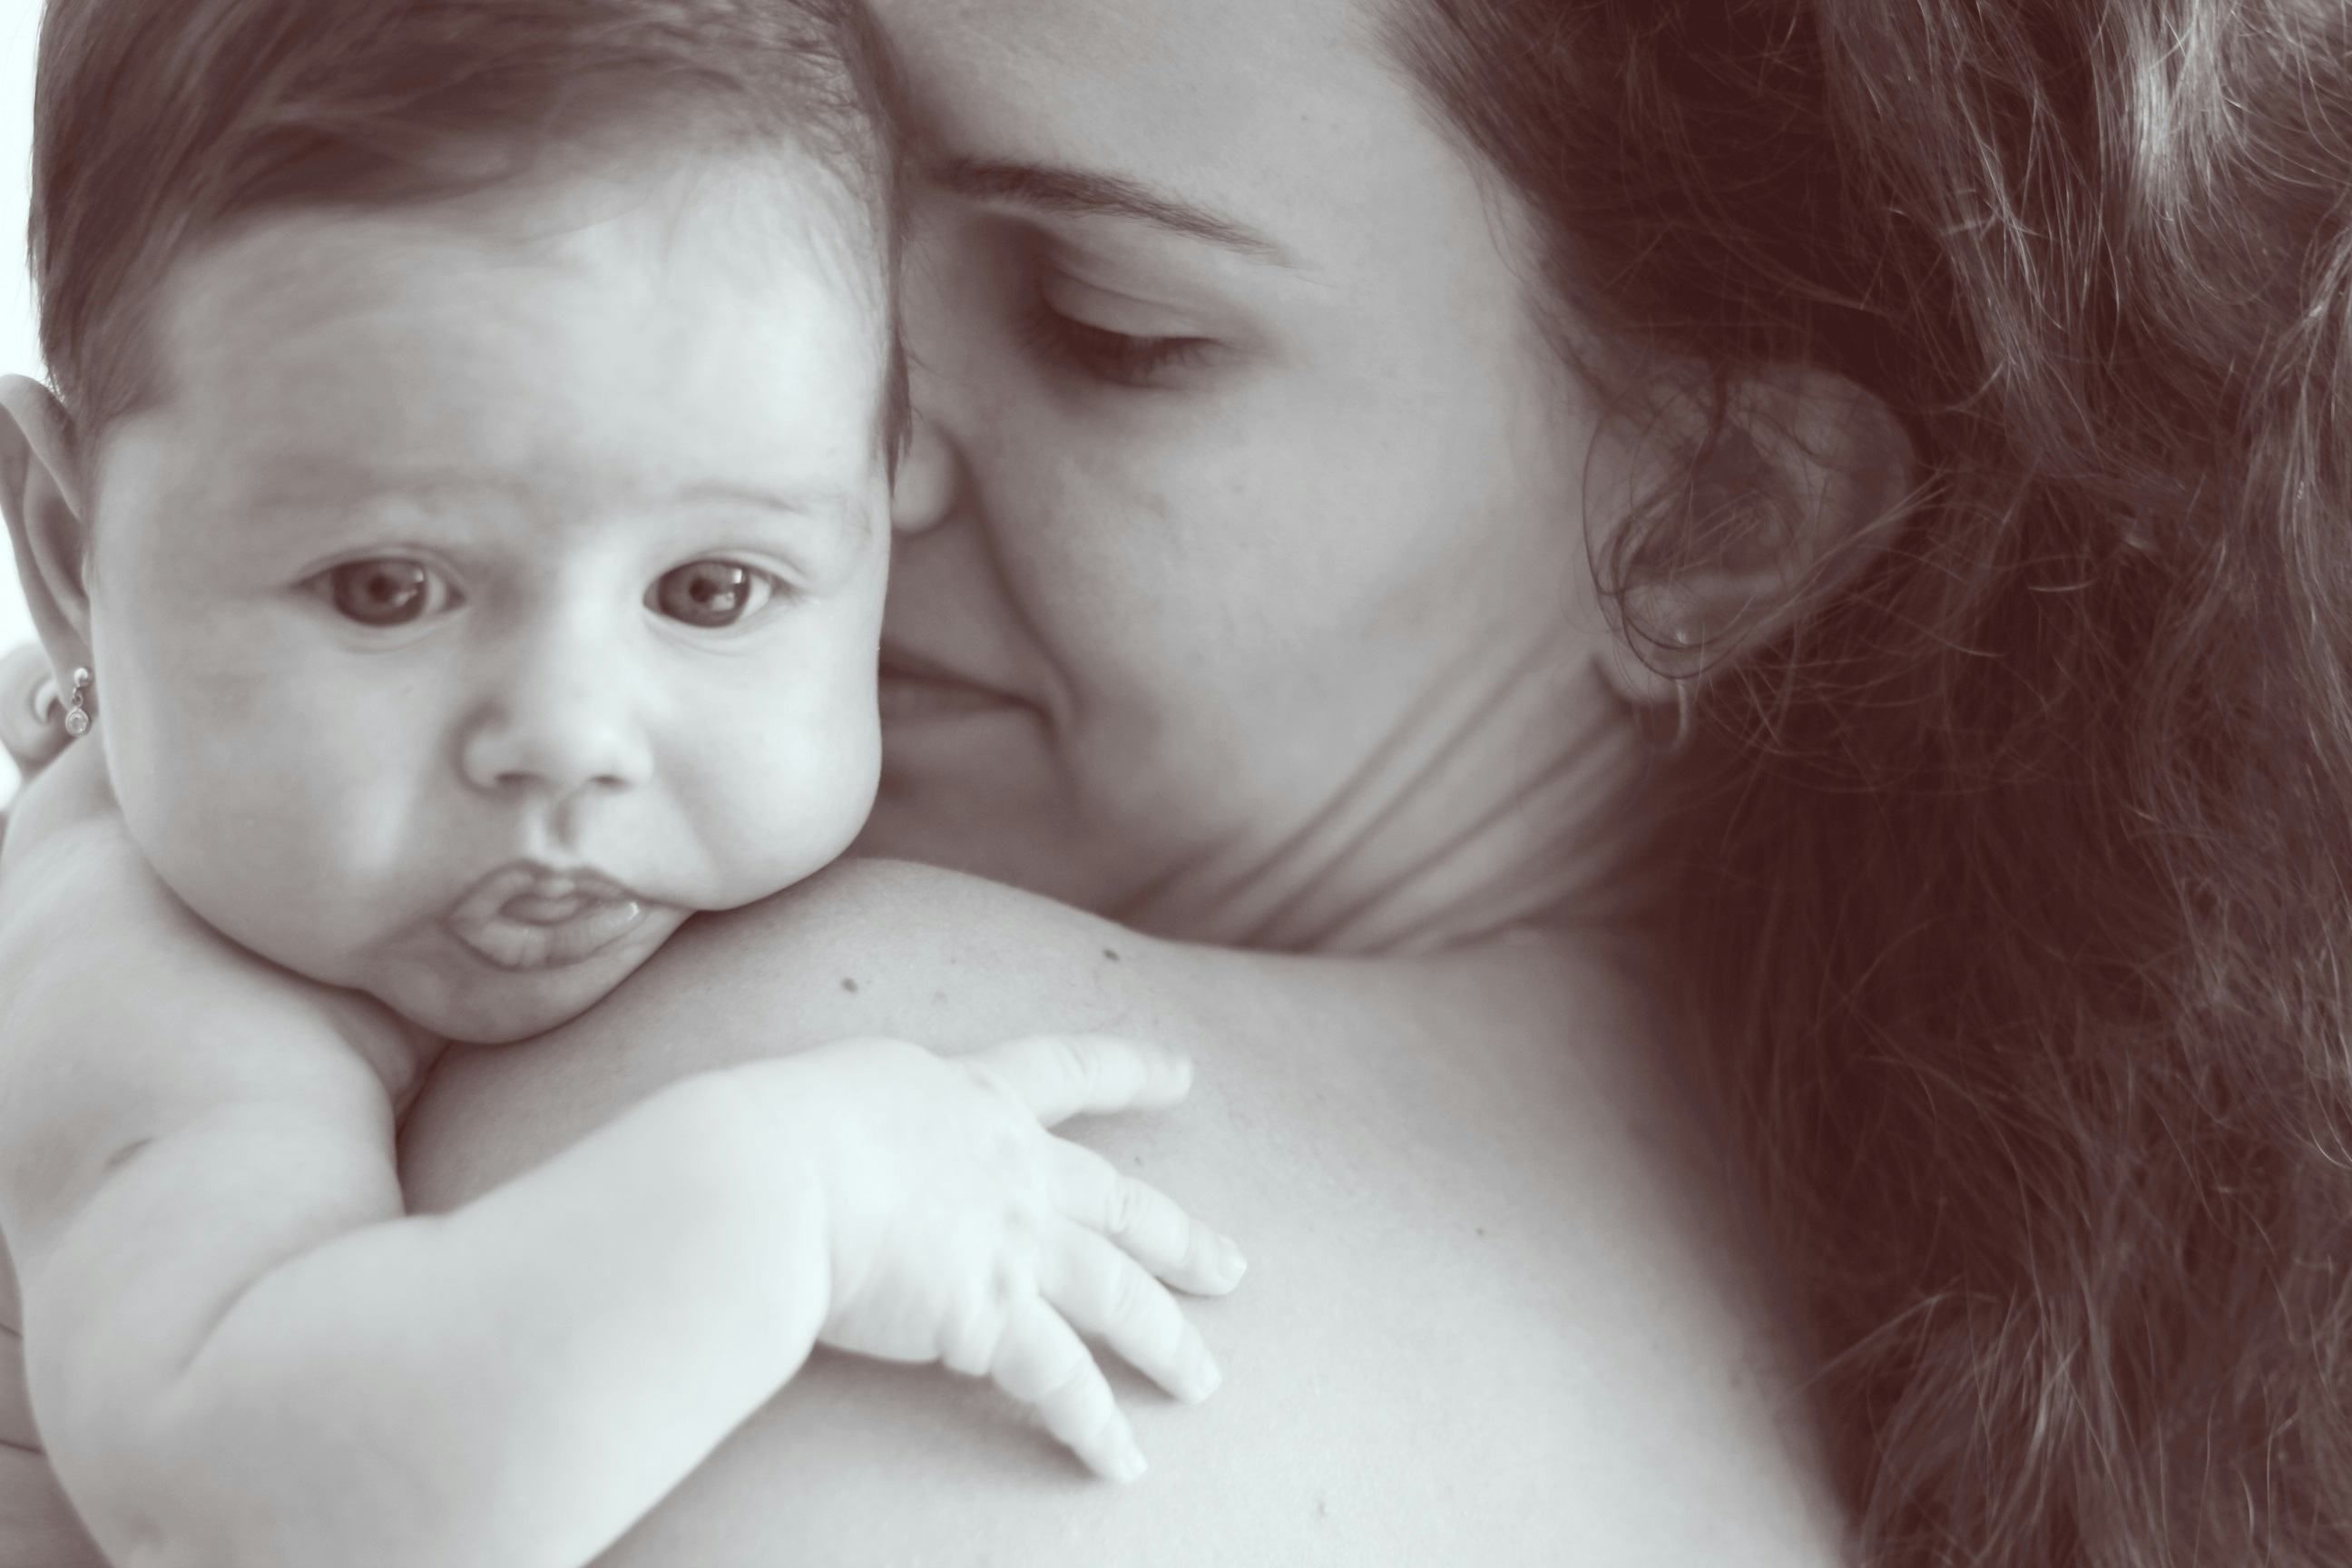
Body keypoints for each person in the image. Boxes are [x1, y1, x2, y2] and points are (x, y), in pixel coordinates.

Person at [6, 0, 2351, 1563]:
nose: (833, 447)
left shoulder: (791, 1116)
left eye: (1108, 329)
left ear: (1718, 520)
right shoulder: (1989, 1351)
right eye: (821, 229)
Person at [0, 4, 1243, 1564]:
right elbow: (238, 1505)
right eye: (387, 589)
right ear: (75, 556)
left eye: (711, 591)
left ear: (884, 511)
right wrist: (800, 1203)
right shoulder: (147, 987)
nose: (571, 734)